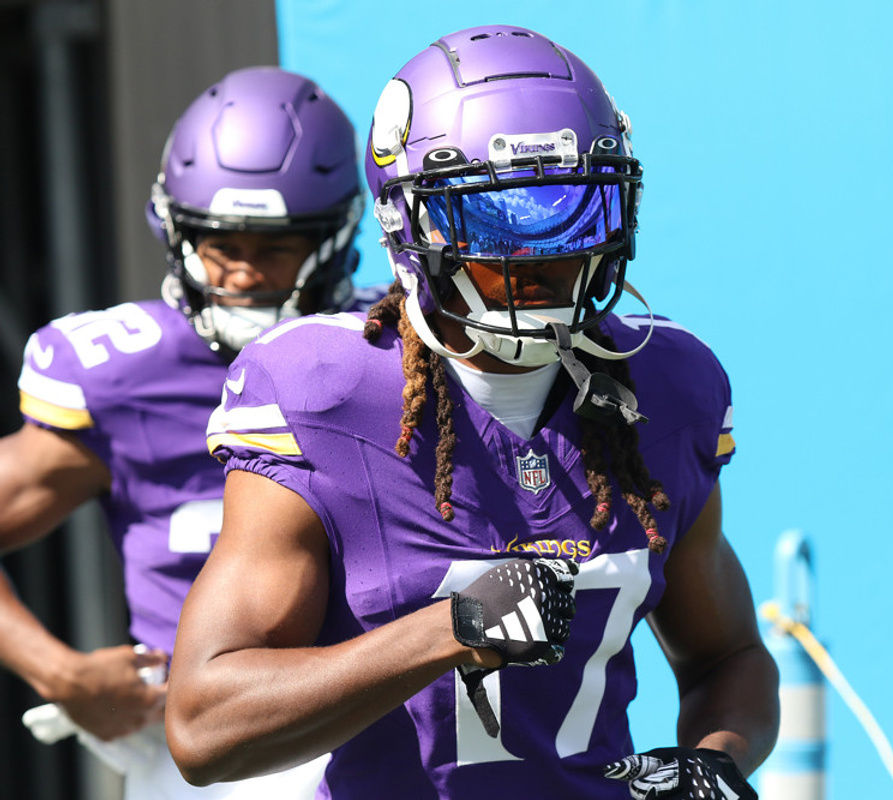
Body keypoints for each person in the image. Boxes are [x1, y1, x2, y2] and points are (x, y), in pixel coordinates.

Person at [167, 25, 780, 800]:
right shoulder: (325, 391)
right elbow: (202, 729)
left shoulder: (665, 385)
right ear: (407, 224)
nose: (539, 256)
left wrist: (718, 759)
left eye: (574, 208)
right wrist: (449, 629)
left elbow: (729, 656)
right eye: (493, 220)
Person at [0, 65, 377, 798]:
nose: (240, 274)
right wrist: (60, 672)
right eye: (219, 245)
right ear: (176, 233)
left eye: (272, 247)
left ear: (332, 239)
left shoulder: (386, 348)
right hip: (222, 748)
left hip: (384, 719)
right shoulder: (122, 371)